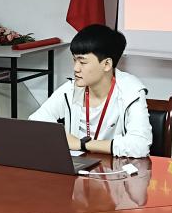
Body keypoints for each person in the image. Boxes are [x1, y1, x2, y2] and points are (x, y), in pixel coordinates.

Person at [29, 24, 151, 157]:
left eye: (83, 62)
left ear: (107, 64)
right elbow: (35, 123)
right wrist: (62, 137)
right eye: (74, 60)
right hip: (78, 165)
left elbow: (140, 145)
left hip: (114, 167)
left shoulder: (131, 90)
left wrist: (82, 144)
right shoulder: (71, 89)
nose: (76, 68)